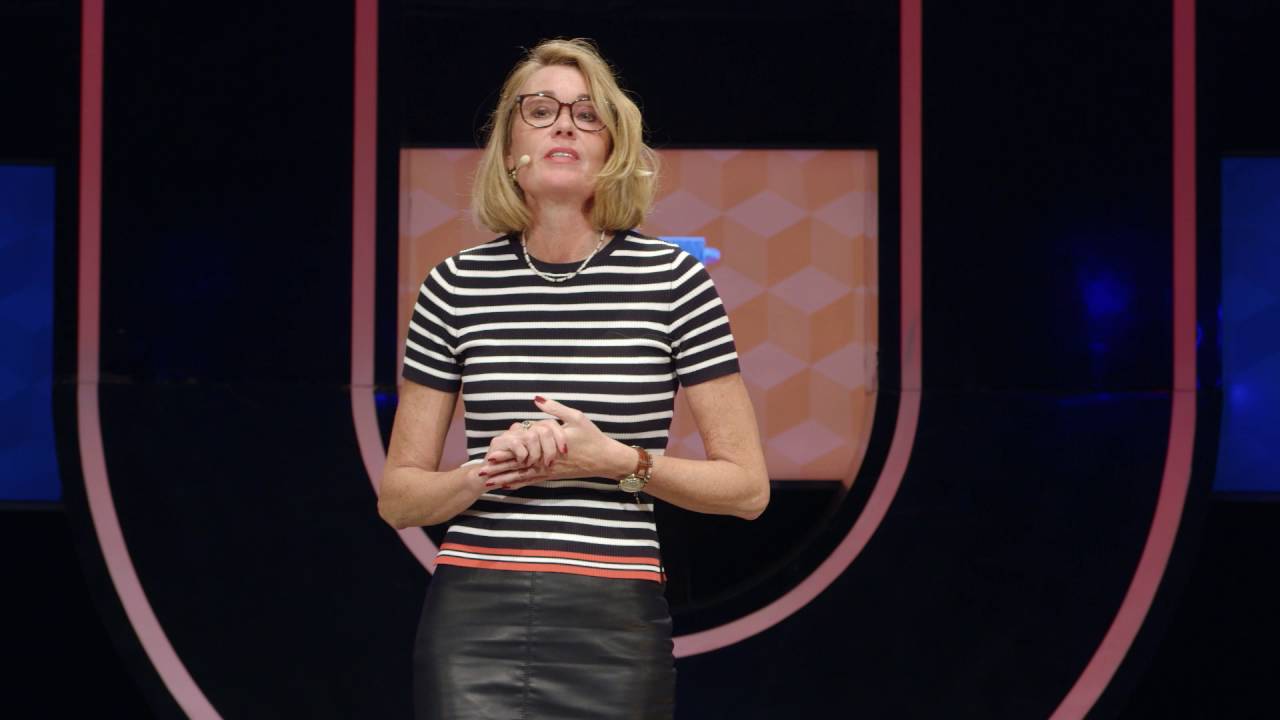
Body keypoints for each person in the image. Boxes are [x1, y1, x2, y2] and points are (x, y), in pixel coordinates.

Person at [378, 37, 769, 720]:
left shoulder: (674, 282)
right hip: (473, 622)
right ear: (509, 151)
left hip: (613, 624)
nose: (565, 125)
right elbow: (399, 500)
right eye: (541, 110)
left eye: (588, 115)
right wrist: (486, 470)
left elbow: (747, 489)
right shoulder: (453, 285)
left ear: (613, 150)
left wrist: (615, 461)